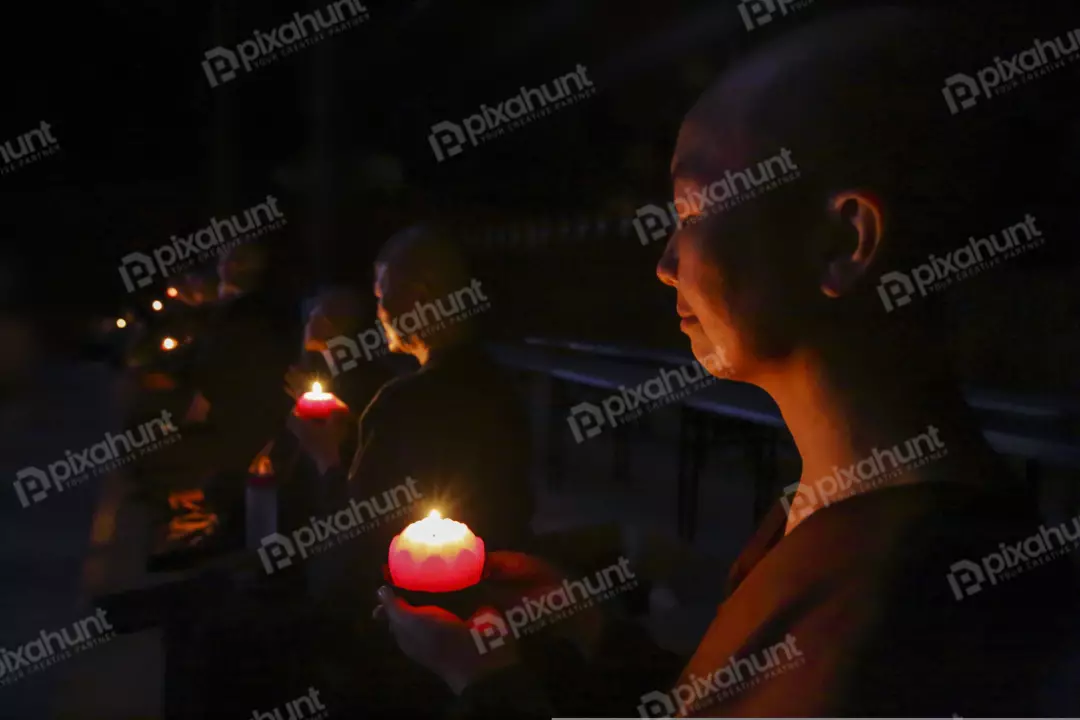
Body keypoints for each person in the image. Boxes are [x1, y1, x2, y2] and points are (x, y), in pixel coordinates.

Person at [375, 6, 1080, 717]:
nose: (665, 264)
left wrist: (485, 686)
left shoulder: (904, 605)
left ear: (843, 241)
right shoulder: (831, 516)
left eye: (690, 210)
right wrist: (592, 629)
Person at [290, 225, 535, 583]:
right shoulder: (499, 386)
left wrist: (324, 456)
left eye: (382, 295)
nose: (379, 313)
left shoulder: (400, 401)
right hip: (494, 580)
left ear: (419, 296)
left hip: (404, 607)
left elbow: (356, 538)